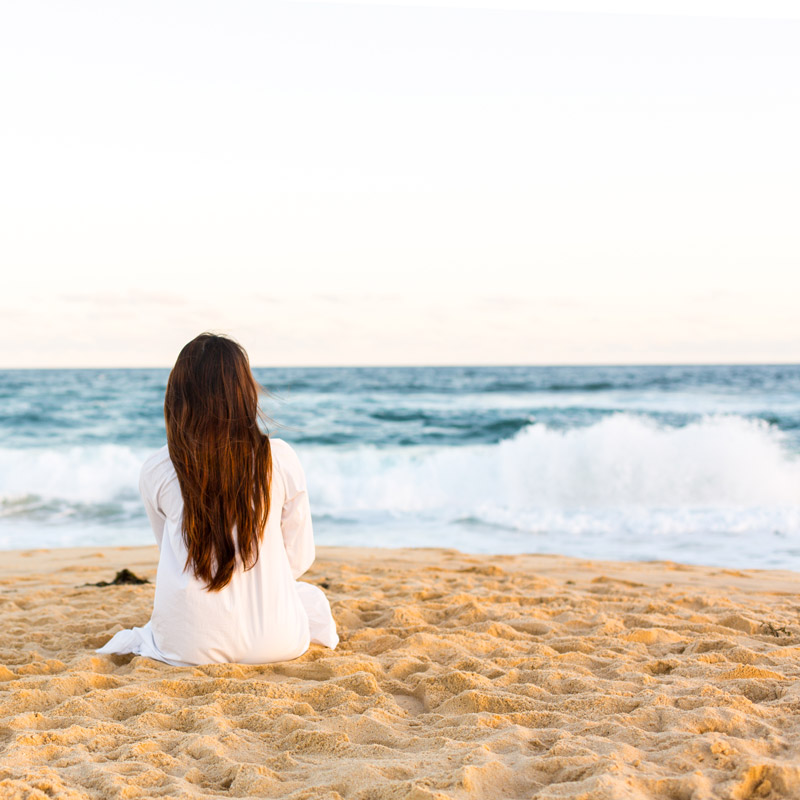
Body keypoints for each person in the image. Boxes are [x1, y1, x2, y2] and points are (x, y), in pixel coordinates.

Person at [96, 333, 338, 666]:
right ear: (244, 393)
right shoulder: (279, 459)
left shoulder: (157, 468)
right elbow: (299, 557)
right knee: (308, 599)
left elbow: (170, 551)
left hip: (187, 647)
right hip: (276, 642)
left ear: (178, 396)